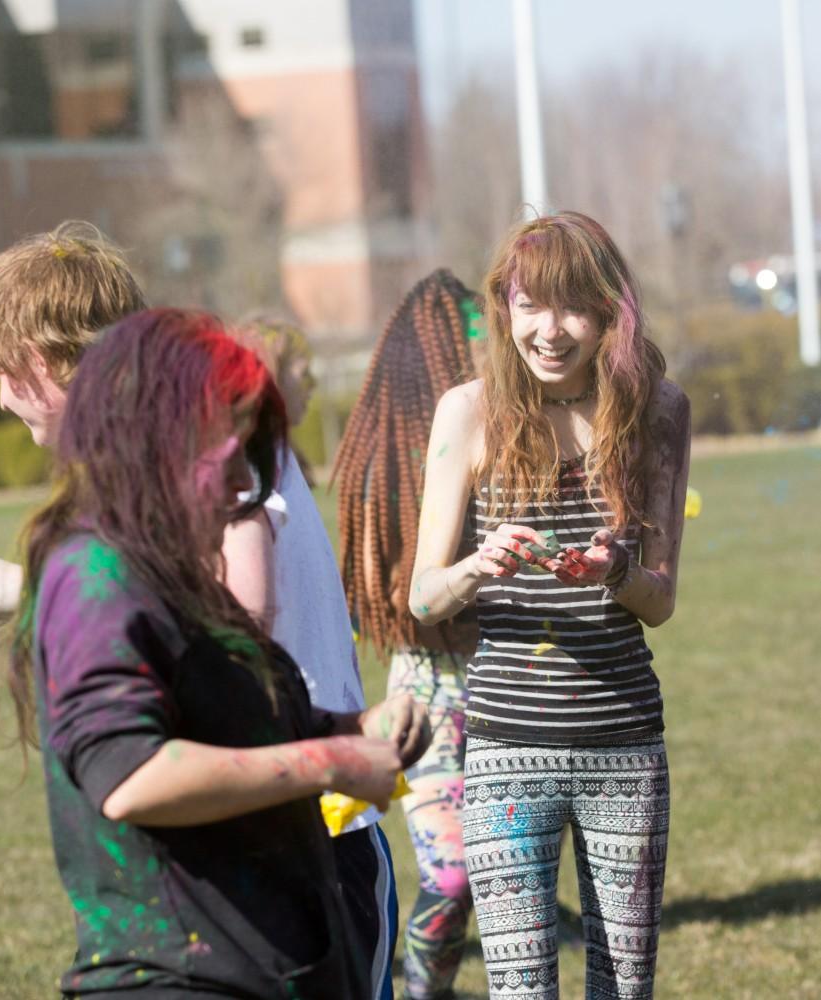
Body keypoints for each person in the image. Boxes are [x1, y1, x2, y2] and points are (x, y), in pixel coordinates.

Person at [7, 308, 429, 998]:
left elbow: (232, 723)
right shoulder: (96, 573)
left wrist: (356, 729)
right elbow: (131, 776)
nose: (245, 478)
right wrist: (330, 761)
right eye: (224, 445)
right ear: (148, 437)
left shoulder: (175, 573)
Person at [409, 213, 691, 1000]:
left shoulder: (656, 413)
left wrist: (615, 570)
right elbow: (422, 595)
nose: (549, 330)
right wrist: (477, 564)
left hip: (624, 752)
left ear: (609, 313)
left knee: (621, 990)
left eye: (572, 307)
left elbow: (660, 601)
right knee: (520, 991)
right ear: (504, 307)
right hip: (504, 754)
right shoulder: (467, 412)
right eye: (529, 305)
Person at [221, 317, 399, 1000]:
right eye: (297, 372)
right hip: (321, 788)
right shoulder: (247, 484)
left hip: (324, 778)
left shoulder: (278, 465)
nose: (312, 385)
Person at [334, 269, 482, 1000]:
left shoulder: (503, 433)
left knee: (497, 872)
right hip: (427, 691)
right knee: (449, 877)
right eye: (474, 336)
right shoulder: (388, 461)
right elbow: (372, 595)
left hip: (516, 680)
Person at [0, 221, 146, 625]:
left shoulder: (175, 467)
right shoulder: (137, 454)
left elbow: (188, 615)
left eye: (1, 372)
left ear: (37, 358)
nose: (3, 401)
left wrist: (18, 590)